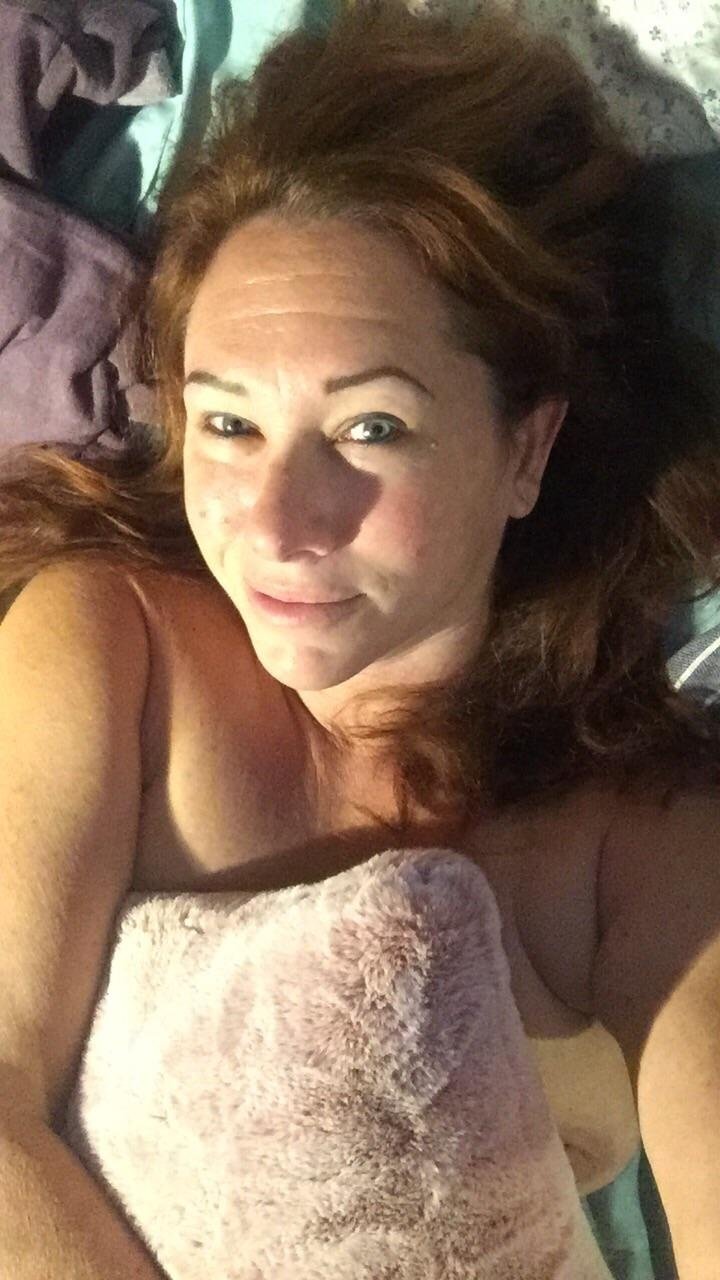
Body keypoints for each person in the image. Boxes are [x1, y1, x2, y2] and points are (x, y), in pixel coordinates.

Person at [1, 1, 719, 1276]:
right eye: (229, 424)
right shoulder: (117, 645)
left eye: (369, 428)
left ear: (526, 447)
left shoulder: (631, 837)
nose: (277, 523)